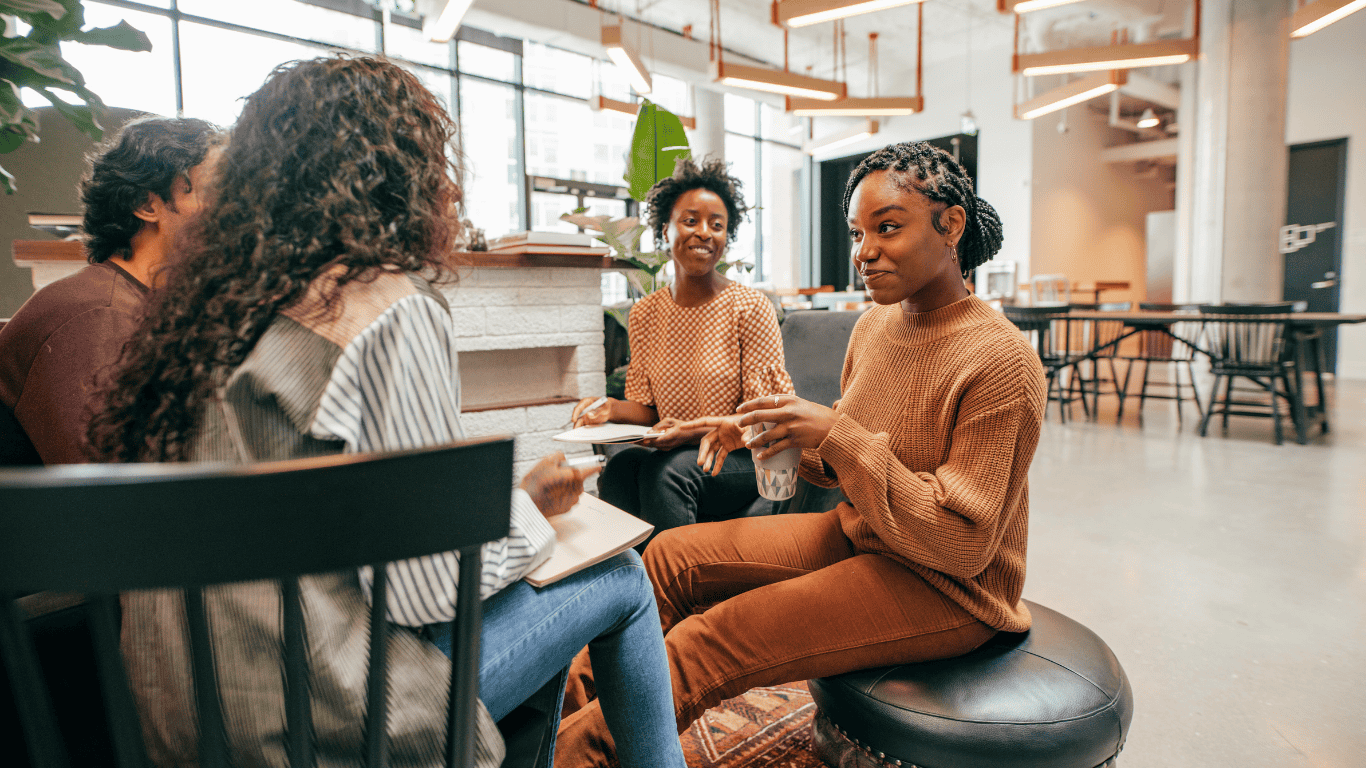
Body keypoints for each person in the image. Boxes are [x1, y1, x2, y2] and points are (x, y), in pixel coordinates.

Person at [87, 57, 685, 768]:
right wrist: (527, 512)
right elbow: (424, 590)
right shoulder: (380, 305)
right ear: (398, 174)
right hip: (327, 728)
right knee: (618, 577)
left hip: (185, 722)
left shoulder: (204, 316)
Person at [556, 141, 1048, 768]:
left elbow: (962, 543)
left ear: (949, 224)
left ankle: (569, 758)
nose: (863, 252)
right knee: (665, 559)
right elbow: (846, 462)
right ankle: (549, 723)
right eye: (857, 232)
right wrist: (775, 435)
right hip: (867, 534)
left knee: (710, 640)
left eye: (887, 228)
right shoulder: (876, 327)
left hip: (951, 588)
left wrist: (834, 435)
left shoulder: (1001, 360)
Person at [570, 157, 794, 539]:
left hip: (741, 456)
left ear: (726, 237)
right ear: (664, 229)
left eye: (717, 225)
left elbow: (769, 418)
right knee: (623, 468)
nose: (704, 233)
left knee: (666, 472)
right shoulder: (645, 313)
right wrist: (608, 408)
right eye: (690, 221)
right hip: (679, 453)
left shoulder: (750, 307)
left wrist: (689, 432)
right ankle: (630, 586)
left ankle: (676, 594)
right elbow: (648, 410)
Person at [0, 116, 221, 465]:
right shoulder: (98, 316)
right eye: (216, 191)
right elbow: (113, 491)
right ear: (148, 206)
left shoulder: (151, 305)